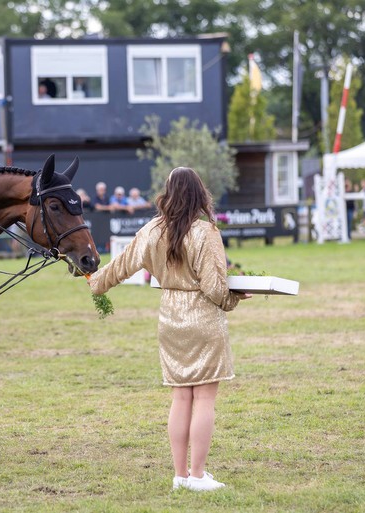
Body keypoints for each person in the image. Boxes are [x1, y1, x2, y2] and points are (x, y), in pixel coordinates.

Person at [87, 167, 250, 492]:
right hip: (203, 318)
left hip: (170, 319)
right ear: (199, 195)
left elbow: (119, 267)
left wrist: (94, 281)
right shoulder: (206, 233)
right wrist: (236, 297)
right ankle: (198, 475)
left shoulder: (151, 231)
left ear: (168, 193)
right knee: (204, 398)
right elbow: (215, 288)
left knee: (180, 396)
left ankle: (180, 475)